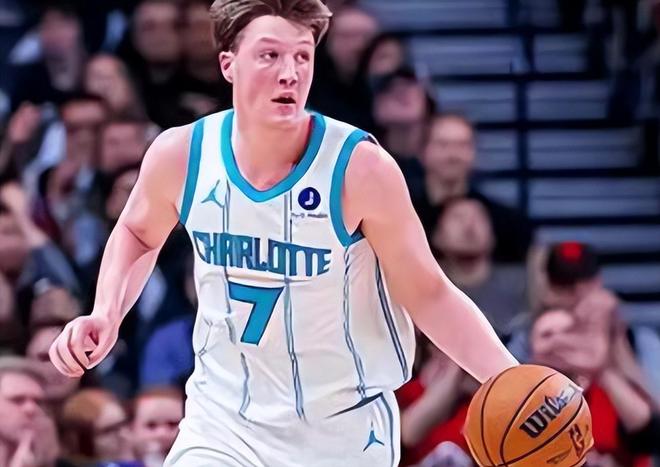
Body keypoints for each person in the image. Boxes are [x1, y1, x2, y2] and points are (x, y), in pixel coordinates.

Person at [49, 1, 519, 465]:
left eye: (302, 56)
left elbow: (429, 293)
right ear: (228, 64)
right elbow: (137, 231)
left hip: (342, 429)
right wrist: (107, 312)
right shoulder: (183, 153)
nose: (290, 73)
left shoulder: (359, 168)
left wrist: (514, 383)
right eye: (270, 55)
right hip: (223, 422)